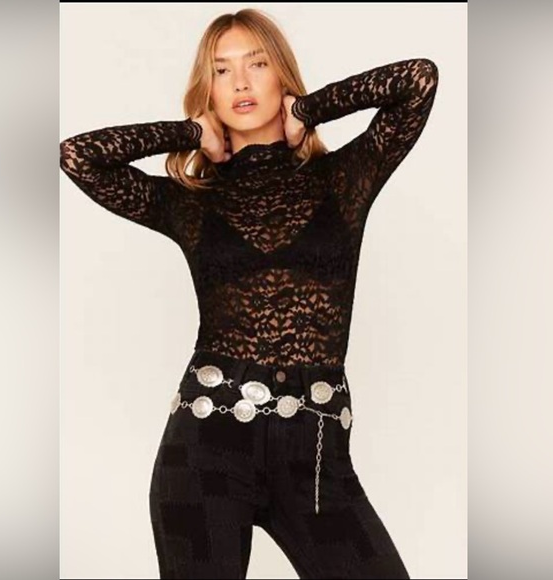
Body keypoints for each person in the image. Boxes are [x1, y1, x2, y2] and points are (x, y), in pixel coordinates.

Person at [60, 8, 438, 580]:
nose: (240, 82)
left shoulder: (344, 178)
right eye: (221, 70)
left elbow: (418, 80)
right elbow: (78, 155)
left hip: (316, 457)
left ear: (281, 75)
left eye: (257, 64)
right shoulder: (188, 202)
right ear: (208, 91)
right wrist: (191, 134)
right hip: (205, 448)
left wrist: (307, 112)